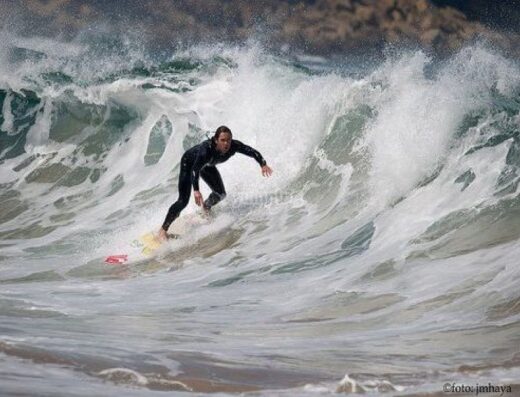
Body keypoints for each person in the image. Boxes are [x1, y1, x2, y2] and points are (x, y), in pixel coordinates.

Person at [159, 125, 273, 240]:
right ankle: (163, 230)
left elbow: (251, 151)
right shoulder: (206, 150)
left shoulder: (234, 146)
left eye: (228, 140)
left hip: (207, 165)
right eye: (222, 140)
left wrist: (262, 163)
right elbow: (195, 170)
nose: (226, 143)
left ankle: (206, 207)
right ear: (216, 140)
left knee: (220, 194)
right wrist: (196, 190)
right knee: (183, 201)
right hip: (190, 163)